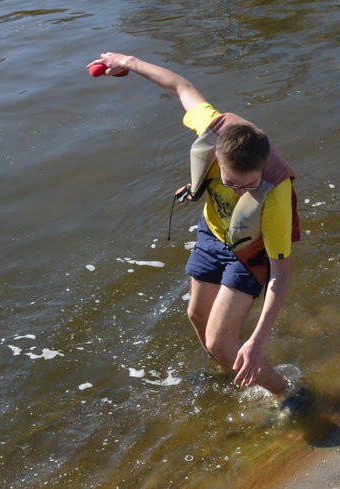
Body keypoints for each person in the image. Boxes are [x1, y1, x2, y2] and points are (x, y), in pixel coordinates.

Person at [89, 53, 307, 407]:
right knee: (196, 315)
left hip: (249, 251)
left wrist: (257, 341)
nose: (241, 193)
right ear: (219, 160)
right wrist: (127, 61)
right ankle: (229, 368)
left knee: (222, 342)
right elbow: (179, 86)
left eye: (249, 187)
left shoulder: (275, 194)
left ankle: (289, 395)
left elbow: (281, 273)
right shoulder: (214, 129)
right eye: (232, 184)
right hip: (212, 234)